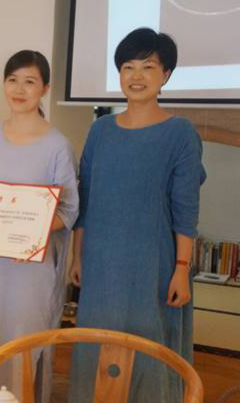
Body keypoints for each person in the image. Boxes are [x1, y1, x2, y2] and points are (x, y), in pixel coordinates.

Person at [69, 28, 207, 403]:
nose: (136, 76)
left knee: (149, 349)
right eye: (128, 67)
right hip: (101, 266)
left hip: (154, 266)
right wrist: (78, 256)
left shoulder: (180, 132)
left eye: (148, 66)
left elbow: (185, 209)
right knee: (95, 345)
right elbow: (85, 200)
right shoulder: (100, 131)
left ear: (166, 75)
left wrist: (182, 268)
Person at [0, 50, 79, 403]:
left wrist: (29, 234)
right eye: (12, 80)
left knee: (24, 340)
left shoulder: (57, 146)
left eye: (29, 81)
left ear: (45, 88)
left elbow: (69, 209)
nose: (19, 89)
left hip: (29, 269)